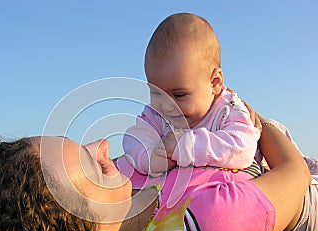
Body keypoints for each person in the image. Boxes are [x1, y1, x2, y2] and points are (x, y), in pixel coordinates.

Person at [0, 107, 317, 231]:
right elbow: (295, 174)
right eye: (96, 166)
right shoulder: (210, 223)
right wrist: (256, 119)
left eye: (81, 144)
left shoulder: (129, 179)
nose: (104, 146)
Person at [123, 13, 318, 177]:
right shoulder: (156, 115)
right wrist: (148, 157)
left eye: (180, 95)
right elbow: (134, 136)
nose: (166, 106)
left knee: (298, 170)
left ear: (214, 83)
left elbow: (242, 148)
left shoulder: (228, 110)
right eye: (156, 93)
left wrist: (187, 146)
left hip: (269, 156)